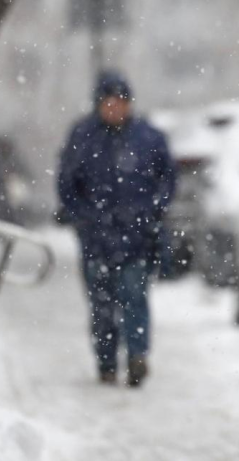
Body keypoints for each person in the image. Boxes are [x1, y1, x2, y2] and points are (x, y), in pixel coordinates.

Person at [58, 69, 176, 387]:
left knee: (134, 296)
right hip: (96, 239)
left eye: (121, 102)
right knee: (101, 305)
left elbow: (167, 179)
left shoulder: (149, 138)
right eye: (109, 102)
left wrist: (152, 211)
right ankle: (106, 362)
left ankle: (137, 356)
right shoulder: (83, 137)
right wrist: (84, 217)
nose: (115, 108)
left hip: (137, 237)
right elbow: (67, 184)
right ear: (98, 104)